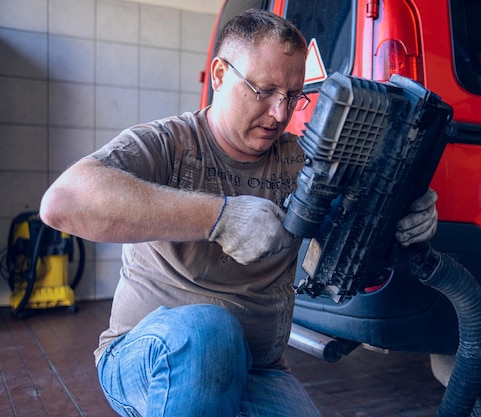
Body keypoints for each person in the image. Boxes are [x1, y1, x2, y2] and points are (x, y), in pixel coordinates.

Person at [39, 9, 438, 417]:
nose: (280, 114)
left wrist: (406, 216)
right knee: (209, 332)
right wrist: (220, 217)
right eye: (264, 90)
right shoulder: (168, 143)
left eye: (293, 95)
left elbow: (353, 228)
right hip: (147, 358)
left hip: (259, 368)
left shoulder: (301, 160)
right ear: (218, 75)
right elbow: (62, 204)